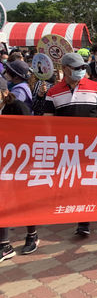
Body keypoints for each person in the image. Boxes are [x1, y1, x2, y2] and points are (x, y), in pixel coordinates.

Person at [44, 53, 97, 237]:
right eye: (76, 68)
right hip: (67, 148)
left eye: (83, 68)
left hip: (91, 146)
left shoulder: (95, 88)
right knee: (72, 182)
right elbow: (47, 121)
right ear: (65, 69)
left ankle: (84, 221)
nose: (82, 71)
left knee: (86, 182)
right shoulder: (53, 92)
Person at [0, 77, 39, 261]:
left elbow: (31, 134)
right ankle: (4, 245)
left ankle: (32, 235)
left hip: (20, 162)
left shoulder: (18, 108)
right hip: (3, 164)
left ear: (5, 93)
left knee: (24, 199)